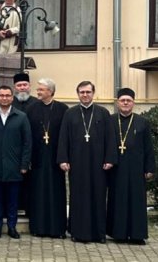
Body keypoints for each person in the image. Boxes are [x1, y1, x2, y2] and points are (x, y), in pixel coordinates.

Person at [57, 81, 117, 243]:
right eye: (82, 92)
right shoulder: (70, 113)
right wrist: (63, 159)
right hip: (77, 163)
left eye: (88, 92)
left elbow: (111, 138)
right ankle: (77, 232)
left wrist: (110, 159)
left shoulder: (103, 113)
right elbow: (63, 138)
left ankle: (99, 234)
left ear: (93, 93)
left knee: (98, 196)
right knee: (77, 196)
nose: (85, 95)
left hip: (99, 163)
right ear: (78, 94)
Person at [107, 88, 156, 245]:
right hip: (117, 168)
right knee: (118, 199)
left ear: (133, 103)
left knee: (136, 201)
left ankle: (137, 235)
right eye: (123, 100)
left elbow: (148, 147)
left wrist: (149, 169)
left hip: (136, 168)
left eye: (129, 100)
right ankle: (118, 234)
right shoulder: (111, 120)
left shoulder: (142, 122)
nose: (126, 103)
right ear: (118, 102)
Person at [0, 85, 31, 239]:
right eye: (1, 95)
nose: (4, 98)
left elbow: (27, 143)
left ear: (12, 98)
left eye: (7, 95)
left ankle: (12, 227)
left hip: (14, 166)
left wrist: (24, 164)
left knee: (12, 201)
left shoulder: (21, 117)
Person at [25, 78, 68, 238]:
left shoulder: (63, 109)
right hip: (37, 158)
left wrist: (64, 157)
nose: (38, 92)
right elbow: (27, 136)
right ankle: (38, 227)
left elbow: (66, 136)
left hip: (55, 159)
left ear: (50, 91)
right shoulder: (31, 109)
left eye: (41, 90)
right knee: (38, 193)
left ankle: (57, 228)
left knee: (56, 193)